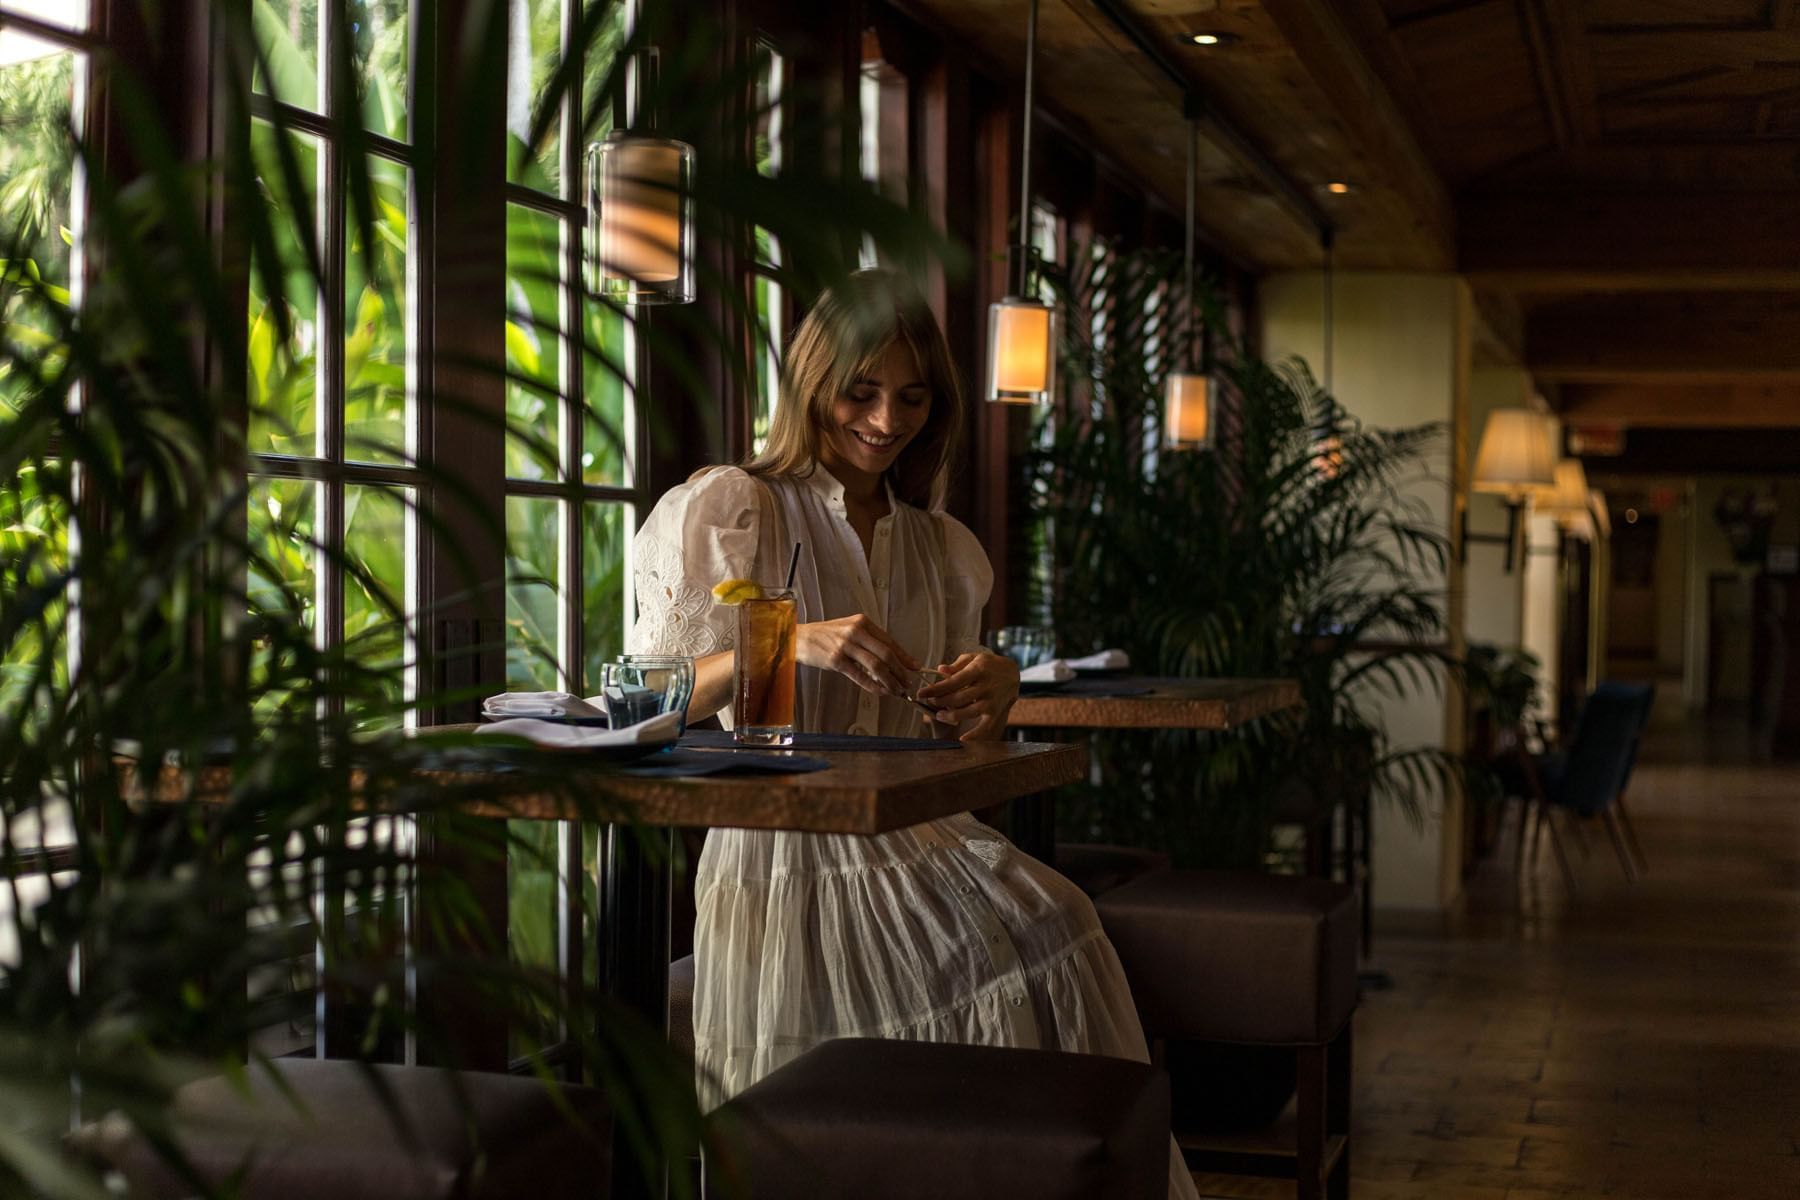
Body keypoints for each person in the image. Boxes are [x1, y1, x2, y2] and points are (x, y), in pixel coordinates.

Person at [629, 269, 1199, 1199]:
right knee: (1007, 949)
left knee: (1060, 924)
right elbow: (647, 699)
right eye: (860, 392)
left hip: (920, 835)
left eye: (912, 397)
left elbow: (955, 746)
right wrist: (789, 641)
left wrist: (993, 694)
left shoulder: (943, 547)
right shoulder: (732, 508)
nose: (885, 420)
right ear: (811, 382)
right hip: (782, 850)